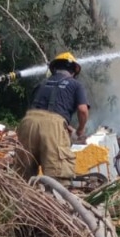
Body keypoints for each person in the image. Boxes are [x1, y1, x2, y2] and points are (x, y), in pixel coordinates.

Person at [16, 52, 89, 180]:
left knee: (22, 175)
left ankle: (16, 198)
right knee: (58, 177)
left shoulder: (41, 84)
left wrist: (66, 127)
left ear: (54, 69)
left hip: (28, 122)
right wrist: (80, 130)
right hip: (53, 126)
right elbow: (82, 110)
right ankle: (55, 199)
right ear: (73, 72)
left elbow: (42, 113)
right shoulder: (76, 85)